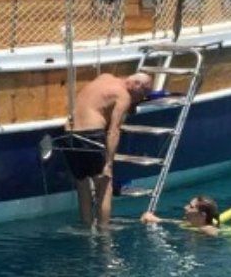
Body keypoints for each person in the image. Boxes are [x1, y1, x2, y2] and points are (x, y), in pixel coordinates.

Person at [53, 70, 155, 229]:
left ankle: (87, 228)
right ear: (136, 85)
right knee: (105, 184)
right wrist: (109, 162)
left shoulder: (104, 78)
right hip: (91, 134)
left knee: (82, 184)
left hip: (68, 135)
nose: (141, 98)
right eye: (143, 93)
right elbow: (114, 131)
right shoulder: (124, 96)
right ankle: (104, 232)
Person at [141, 195, 221, 234]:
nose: (185, 207)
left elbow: (213, 232)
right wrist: (157, 219)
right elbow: (177, 222)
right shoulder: (193, 225)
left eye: (191, 207)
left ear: (202, 215)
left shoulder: (208, 230)